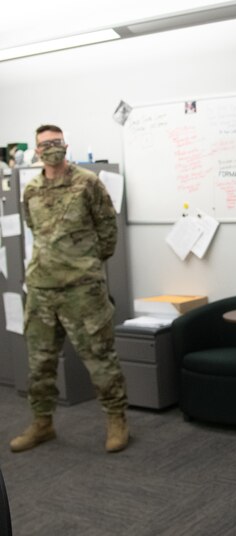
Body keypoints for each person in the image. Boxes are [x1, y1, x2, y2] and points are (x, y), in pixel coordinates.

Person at [10, 125, 129, 454]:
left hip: (82, 291)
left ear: (66, 145)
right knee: (39, 363)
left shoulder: (87, 183)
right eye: (44, 144)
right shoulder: (31, 190)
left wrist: (85, 264)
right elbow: (34, 229)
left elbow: (108, 229)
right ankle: (42, 423)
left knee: (100, 360)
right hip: (41, 289)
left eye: (56, 142)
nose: (51, 148)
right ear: (36, 151)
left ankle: (116, 420)